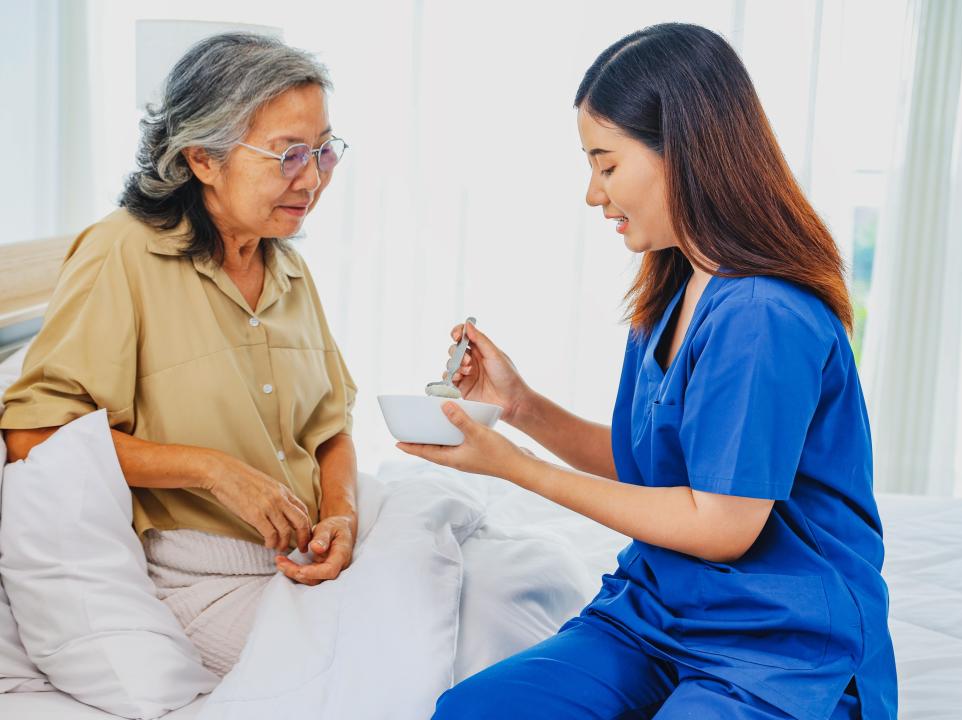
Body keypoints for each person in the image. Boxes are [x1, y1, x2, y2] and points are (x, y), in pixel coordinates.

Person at [398, 23, 897, 720]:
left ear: (684, 153)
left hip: (778, 644)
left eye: (606, 165)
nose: (593, 194)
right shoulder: (672, 287)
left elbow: (722, 524)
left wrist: (515, 467)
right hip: (657, 617)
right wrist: (521, 407)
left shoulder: (762, 315)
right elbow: (659, 468)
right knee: (473, 710)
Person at [2, 34, 357, 676]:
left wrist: (342, 514)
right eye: (290, 155)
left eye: (325, 149)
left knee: (481, 601)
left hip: (314, 558)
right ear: (202, 160)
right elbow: (32, 434)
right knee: (376, 660)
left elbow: (331, 427)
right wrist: (214, 471)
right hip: (202, 576)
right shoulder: (122, 252)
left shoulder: (289, 266)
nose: (313, 177)